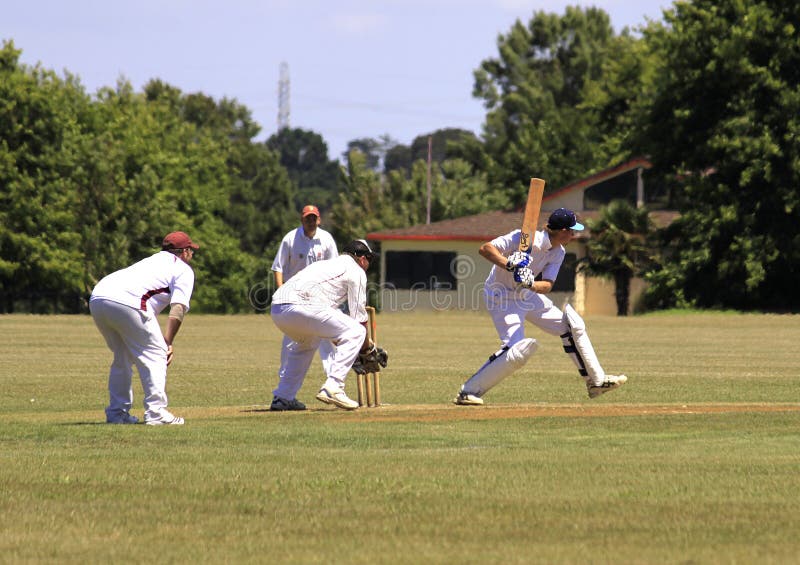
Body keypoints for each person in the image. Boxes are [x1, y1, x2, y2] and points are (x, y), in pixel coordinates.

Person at [453, 208, 627, 405]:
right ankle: (468, 392)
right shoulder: (523, 237)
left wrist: (530, 284)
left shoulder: (558, 252)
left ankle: (596, 381)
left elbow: (547, 285)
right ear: (562, 230)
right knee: (516, 350)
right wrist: (510, 264)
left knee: (571, 326)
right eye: (571, 230)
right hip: (502, 295)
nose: (573, 234)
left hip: (527, 294)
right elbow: (485, 249)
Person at [89, 231, 199, 425]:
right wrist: (168, 342)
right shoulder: (182, 269)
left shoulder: (152, 260)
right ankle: (156, 413)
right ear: (184, 252)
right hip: (126, 301)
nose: (192, 255)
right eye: (191, 251)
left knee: (122, 357)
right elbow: (178, 308)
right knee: (157, 352)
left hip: (99, 297)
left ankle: (117, 413)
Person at [270, 239, 377, 411]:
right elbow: (359, 319)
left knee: (308, 342)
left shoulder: (326, 265)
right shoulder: (356, 271)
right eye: (370, 259)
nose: (369, 264)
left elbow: (332, 330)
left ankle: (283, 396)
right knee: (357, 331)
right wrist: (366, 351)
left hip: (278, 309)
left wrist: (359, 350)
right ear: (362, 258)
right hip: (301, 305)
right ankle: (333, 387)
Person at [269, 204, 338, 411]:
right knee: (289, 347)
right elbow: (278, 267)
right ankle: (284, 395)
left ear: (319, 220)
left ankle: (334, 388)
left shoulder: (326, 240)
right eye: (307, 217)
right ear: (302, 219)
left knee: (329, 344)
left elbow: (335, 269)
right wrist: (281, 292)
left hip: (320, 300)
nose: (310, 221)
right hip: (294, 301)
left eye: (313, 218)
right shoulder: (290, 238)